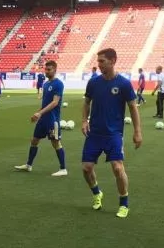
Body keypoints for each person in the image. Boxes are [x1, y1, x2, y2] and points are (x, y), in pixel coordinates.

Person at [81, 48, 142, 218]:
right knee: (86, 168)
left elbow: (133, 107)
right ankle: (97, 193)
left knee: (117, 167)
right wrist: (84, 121)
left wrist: (137, 131)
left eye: (102, 61)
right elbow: (86, 102)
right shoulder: (93, 82)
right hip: (94, 133)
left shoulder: (123, 83)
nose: (99, 64)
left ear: (113, 61)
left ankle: (124, 204)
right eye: (98, 61)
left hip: (114, 134)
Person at [14, 60, 67, 176]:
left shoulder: (58, 84)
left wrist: (40, 113)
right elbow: (45, 103)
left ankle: (63, 169)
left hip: (52, 120)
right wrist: (37, 114)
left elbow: (55, 102)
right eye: (45, 69)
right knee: (34, 140)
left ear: (55, 70)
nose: (46, 72)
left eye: (49, 69)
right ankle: (28, 165)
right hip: (43, 119)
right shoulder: (46, 84)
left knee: (56, 143)